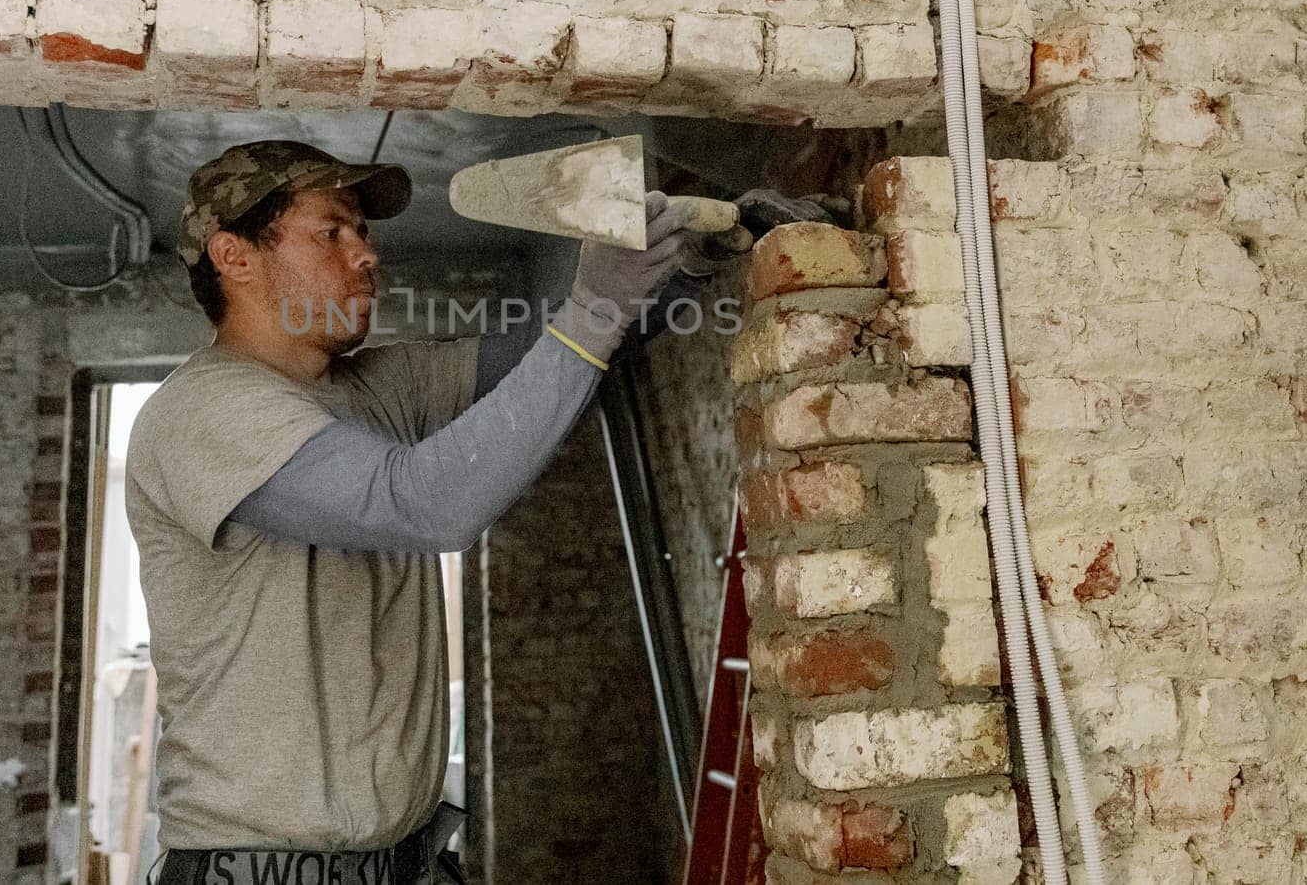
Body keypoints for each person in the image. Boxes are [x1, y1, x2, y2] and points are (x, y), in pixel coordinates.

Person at [125, 140, 829, 885]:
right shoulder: (204, 412)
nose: (365, 254)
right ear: (233, 256)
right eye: (331, 231)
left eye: (363, 232)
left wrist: (692, 260)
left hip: (404, 865)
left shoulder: (378, 386)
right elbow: (426, 506)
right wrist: (594, 306)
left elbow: (564, 352)